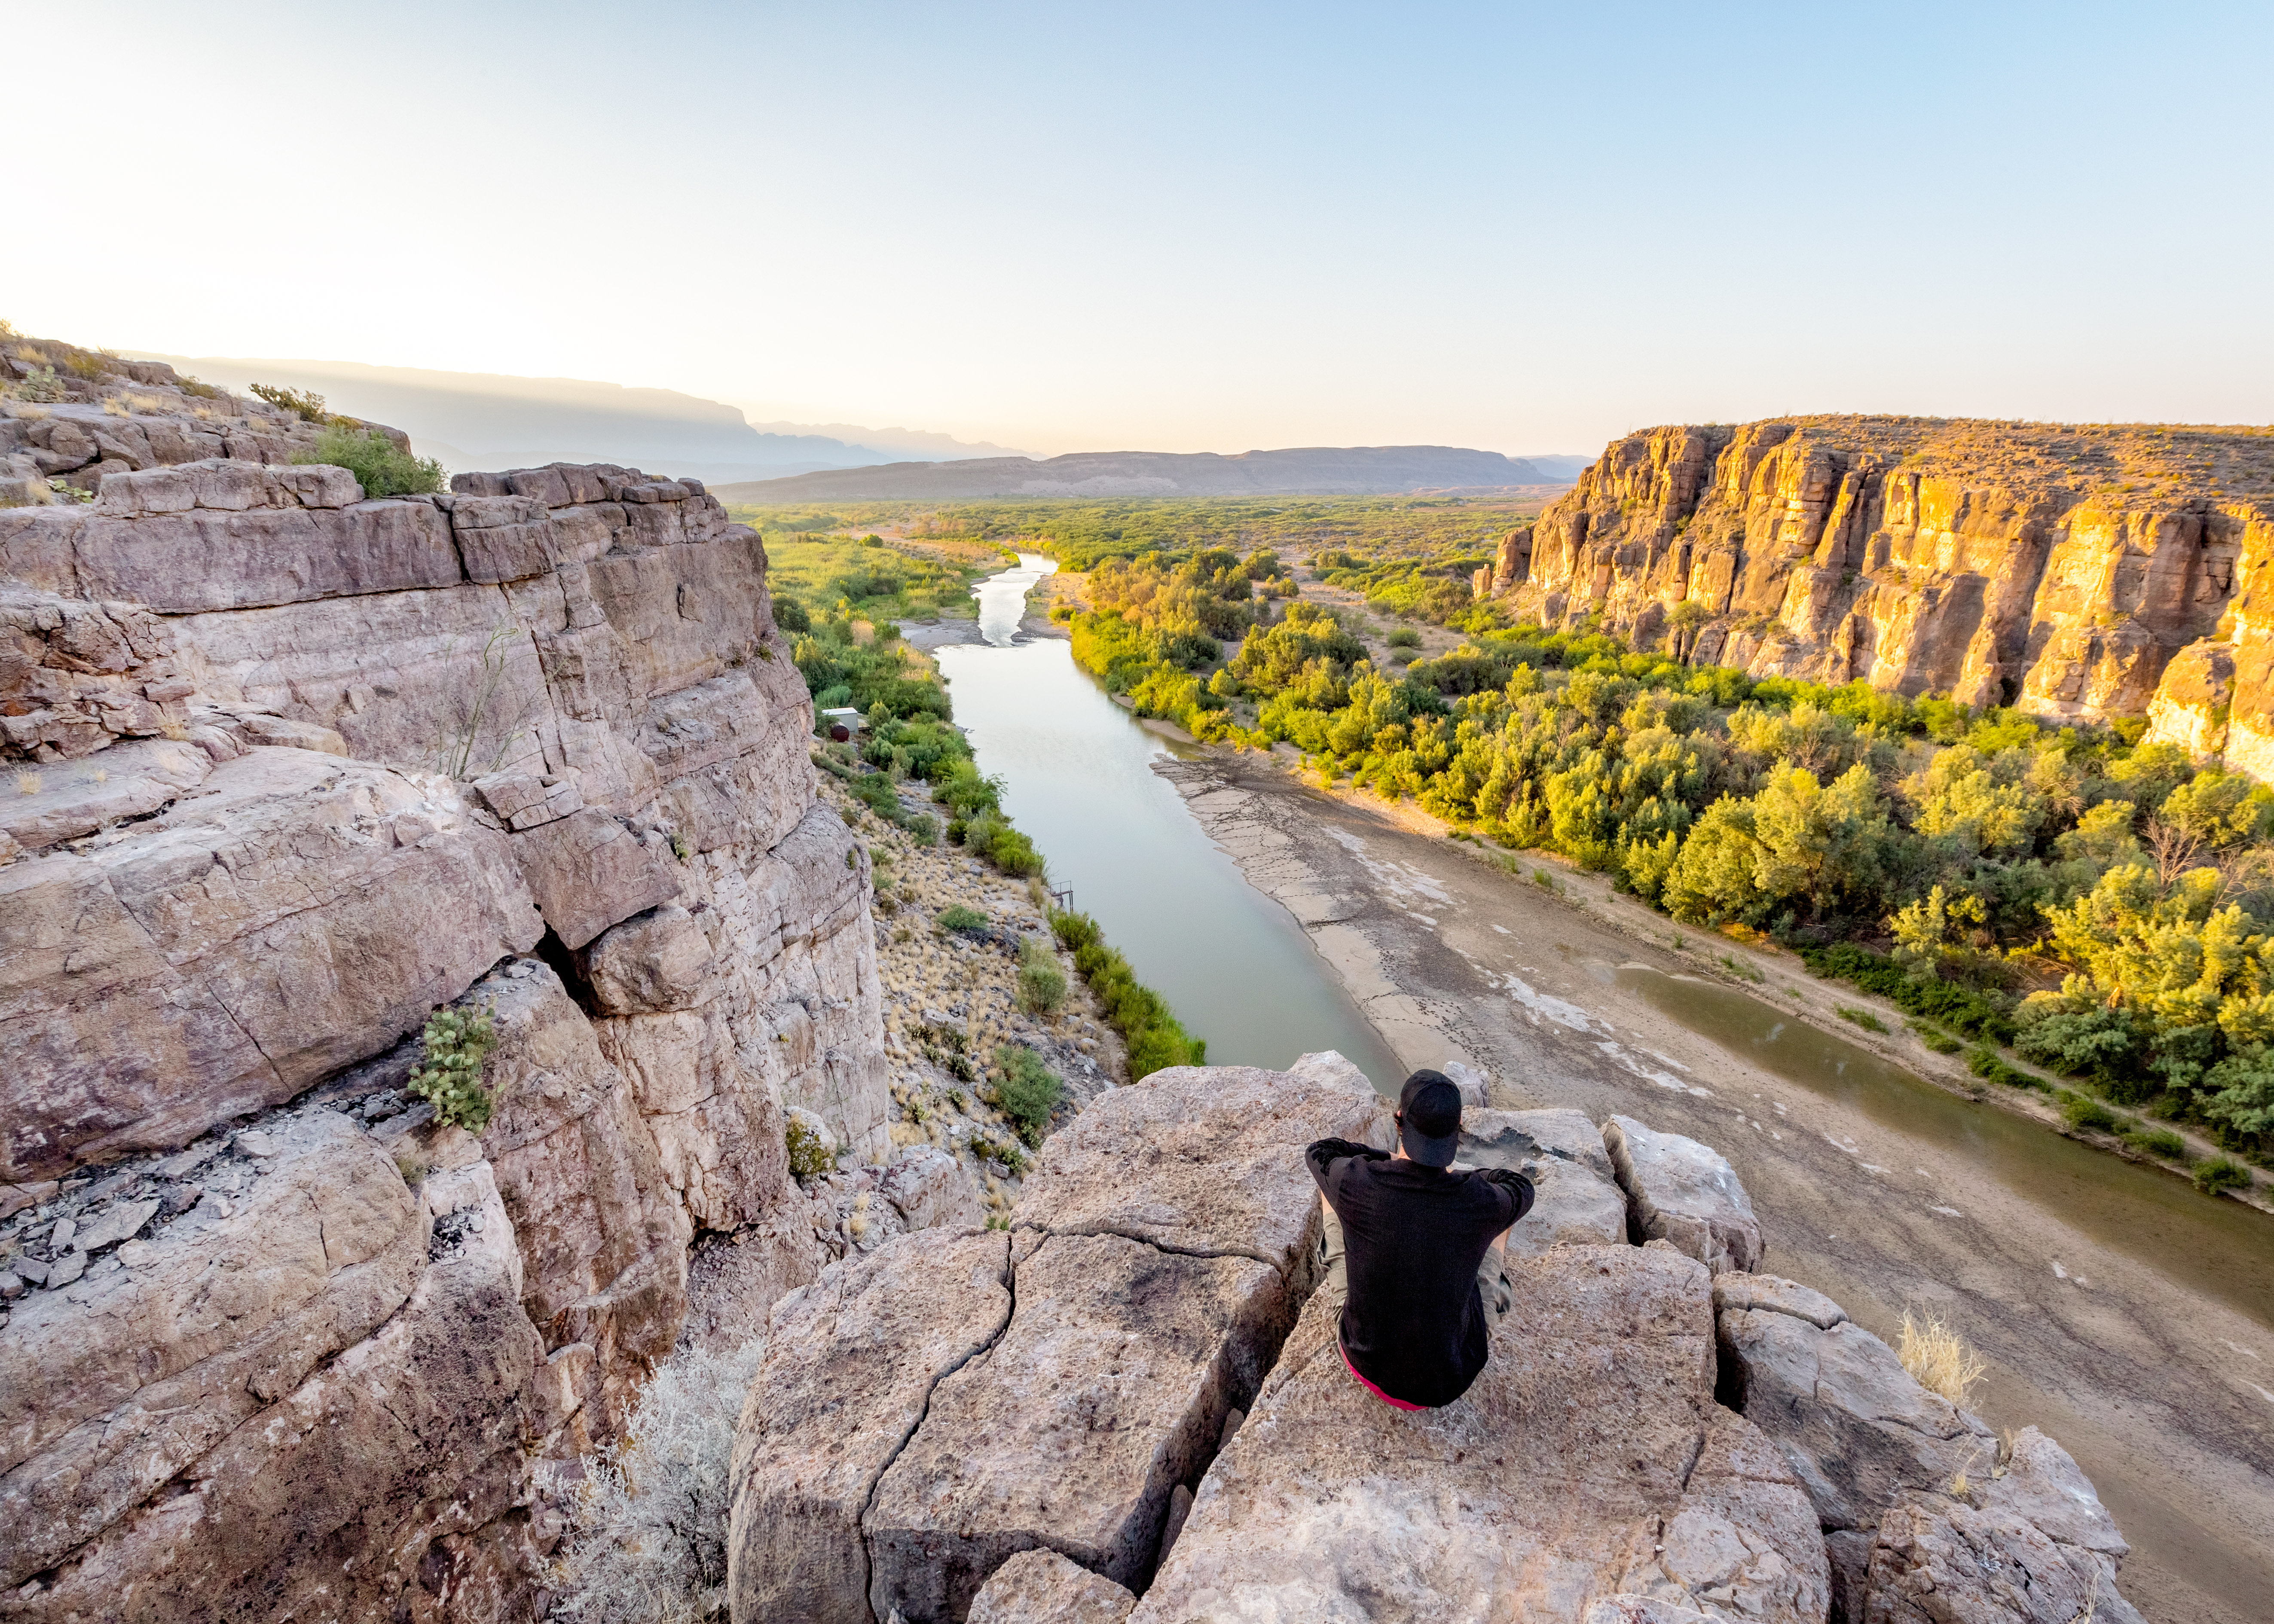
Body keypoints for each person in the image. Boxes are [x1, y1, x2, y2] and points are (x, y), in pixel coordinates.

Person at [1305, 1069, 1535, 1410]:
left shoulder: (1359, 1181)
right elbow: (1520, 1188)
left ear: (1399, 1119)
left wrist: (1384, 1157)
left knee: (1329, 1191)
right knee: (1502, 1220)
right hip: (1448, 1381)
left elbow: (1321, 1152)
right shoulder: (1478, 1200)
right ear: (1457, 1131)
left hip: (1364, 1363)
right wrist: (1469, 1178)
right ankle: (1495, 1286)